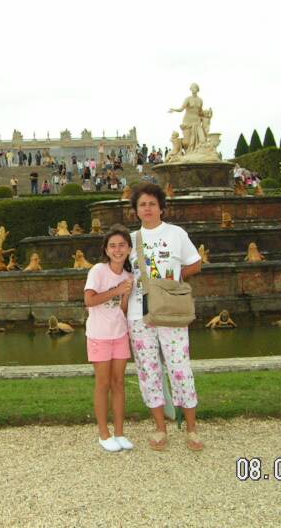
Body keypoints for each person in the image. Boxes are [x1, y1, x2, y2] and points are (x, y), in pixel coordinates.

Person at [127, 183, 204, 451]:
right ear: (136, 210)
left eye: (152, 203)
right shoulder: (130, 239)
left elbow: (195, 263)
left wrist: (173, 281)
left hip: (171, 310)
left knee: (179, 367)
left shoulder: (176, 233)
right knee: (148, 370)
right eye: (142, 204)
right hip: (139, 313)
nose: (147, 208)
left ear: (161, 207)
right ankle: (160, 428)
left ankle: (192, 429)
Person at [84, 224, 135, 452]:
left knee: (119, 383)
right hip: (99, 335)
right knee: (103, 383)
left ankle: (120, 432)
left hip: (119, 334)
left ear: (129, 249)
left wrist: (124, 295)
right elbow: (89, 300)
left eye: (122, 245)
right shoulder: (98, 271)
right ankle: (104, 434)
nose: (117, 250)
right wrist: (117, 291)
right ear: (106, 250)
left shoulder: (129, 276)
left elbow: (122, 309)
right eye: (112, 246)